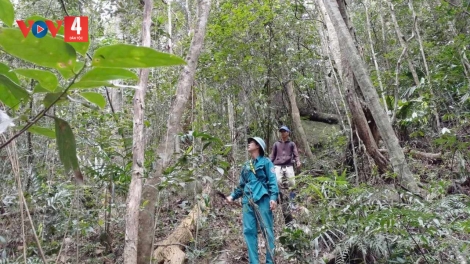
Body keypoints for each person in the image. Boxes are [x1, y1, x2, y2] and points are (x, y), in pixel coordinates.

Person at [226, 137, 279, 264]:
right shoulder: (246, 166)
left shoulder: (266, 163)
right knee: (249, 232)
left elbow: (272, 181)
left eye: (252, 142)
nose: (249, 144)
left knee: (267, 231)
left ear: (258, 146)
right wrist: (232, 196)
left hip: (263, 200)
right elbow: (241, 186)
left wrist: (273, 198)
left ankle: (270, 261)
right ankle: (254, 262)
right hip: (247, 201)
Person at [269, 125, 300, 224]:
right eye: (281, 131)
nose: (282, 133)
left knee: (292, 183)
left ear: (288, 133)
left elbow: (296, 154)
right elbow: (272, 155)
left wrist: (298, 161)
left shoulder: (291, 144)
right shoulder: (276, 144)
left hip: (288, 165)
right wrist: (269, 164)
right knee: (277, 182)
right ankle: (278, 199)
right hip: (277, 165)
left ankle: (293, 202)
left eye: (284, 131)